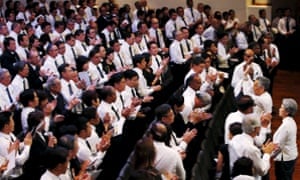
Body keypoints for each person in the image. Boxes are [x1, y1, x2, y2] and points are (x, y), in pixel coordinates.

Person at [273, 98, 298, 180]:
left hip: (285, 160)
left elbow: (279, 146)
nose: (279, 109)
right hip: (290, 157)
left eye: (281, 107)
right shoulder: (291, 122)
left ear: (287, 112)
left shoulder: (286, 125)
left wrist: (268, 155)